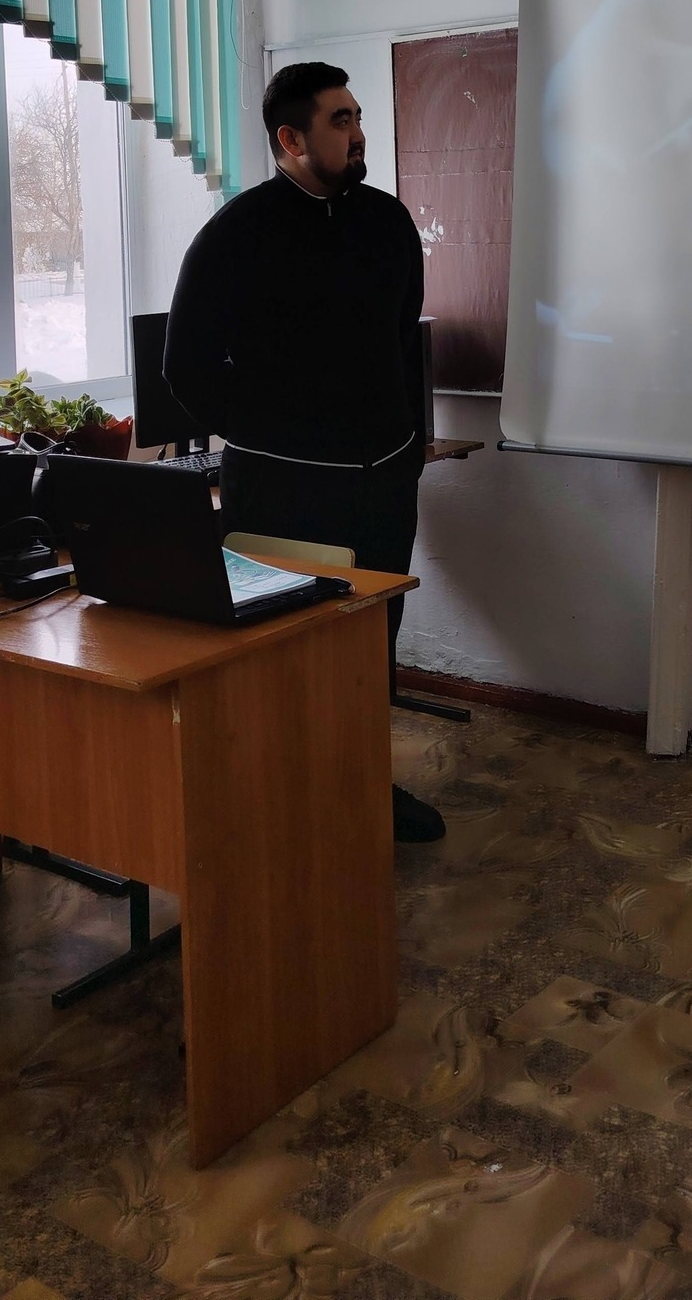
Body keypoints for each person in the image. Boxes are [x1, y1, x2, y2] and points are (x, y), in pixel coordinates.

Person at [163, 60, 444, 843]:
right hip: (281, 487)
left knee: (371, 639)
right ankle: (277, 805)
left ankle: (364, 787)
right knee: (283, 649)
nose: (358, 134)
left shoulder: (387, 222)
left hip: (383, 478)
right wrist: (268, 434)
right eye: (340, 121)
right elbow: (186, 367)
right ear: (291, 139)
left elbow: (402, 338)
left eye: (358, 117)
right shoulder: (236, 235)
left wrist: (406, 446)